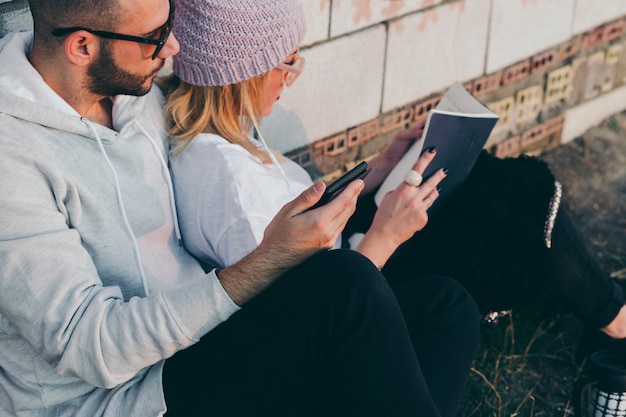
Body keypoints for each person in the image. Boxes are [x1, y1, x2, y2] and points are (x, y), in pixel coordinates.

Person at [0, 0, 481, 416]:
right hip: (123, 400)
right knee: (346, 285)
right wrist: (269, 257)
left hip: (194, 348)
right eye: (154, 39)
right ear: (82, 46)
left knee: (446, 305)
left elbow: (225, 107)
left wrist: (372, 173)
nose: (172, 50)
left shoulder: (132, 95)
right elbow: (94, 345)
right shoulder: (13, 162)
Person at [164, 0, 626, 349]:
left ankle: (603, 306)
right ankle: (612, 317)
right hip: (366, 282)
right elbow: (311, 311)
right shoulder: (228, 182)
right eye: (288, 63)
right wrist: (386, 233)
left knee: (489, 185)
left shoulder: (226, 141)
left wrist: (382, 168)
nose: (293, 77)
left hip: (354, 251)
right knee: (515, 199)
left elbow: (303, 220)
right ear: (242, 74)